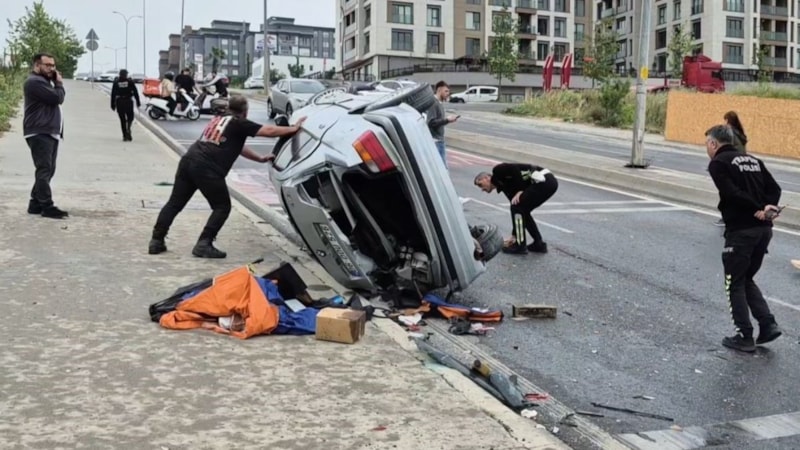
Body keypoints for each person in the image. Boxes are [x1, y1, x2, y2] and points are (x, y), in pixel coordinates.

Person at [148, 95, 306, 258]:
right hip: (208, 168)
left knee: (175, 203)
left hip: (188, 161)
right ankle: (204, 243)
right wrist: (293, 128)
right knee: (222, 206)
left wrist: (259, 158)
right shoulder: (239, 122)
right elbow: (269, 131)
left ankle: (156, 241)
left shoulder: (219, 120)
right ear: (245, 111)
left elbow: (239, 146)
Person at [705, 124, 783, 353]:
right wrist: (768, 207)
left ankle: (744, 335)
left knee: (734, 283)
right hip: (763, 231)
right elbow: (775, 188)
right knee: (746, 278)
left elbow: (731, 193)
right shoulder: (753, 160)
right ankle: (768, 324)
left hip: (741, 231)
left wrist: (758, 207)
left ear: (713, 143)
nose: (707, 150)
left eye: (706, 145)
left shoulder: (718, 163)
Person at [474, 163, 558, 254]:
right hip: (545, 184)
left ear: (487, 178)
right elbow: (517, 215)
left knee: (517, 207)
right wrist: (514, 235)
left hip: (544, 179)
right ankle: (538, 244)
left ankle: (520, 245)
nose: (482, 189)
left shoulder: (498, 171)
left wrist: (520, 190)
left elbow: (514, 169)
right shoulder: (505, 187)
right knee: (521, 210)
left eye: (480, 185)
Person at [23, 52, 68, 219]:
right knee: (44, 169)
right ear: (37, 66)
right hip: (40, 131)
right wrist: (59, 83)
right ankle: (47, 206)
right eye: (47, 65)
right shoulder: (34, 82)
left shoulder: (43, 81)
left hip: (48, 131)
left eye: (53, 65)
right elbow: (57, 98)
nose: (51, 68)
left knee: (49, 169)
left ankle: (35, 203)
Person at [715, 111, 749, 227]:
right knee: (736, 192)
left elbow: (726, 150)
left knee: (726, 192)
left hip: (731, 166)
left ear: (728, 121)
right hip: (741, 165)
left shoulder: (729, 133)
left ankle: (726, 217)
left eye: (725, 120)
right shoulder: (740, 133)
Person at [426, 80, 458, 167]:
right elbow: (431, 122)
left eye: (448, 91)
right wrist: (447, 120)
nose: (448, 93)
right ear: (439, 90)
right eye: (446, 91)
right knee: (442, 169)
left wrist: (448, 120)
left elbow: (438, 122)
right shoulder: (434, 103)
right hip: (435, 141)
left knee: (442, 168)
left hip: (439, 140)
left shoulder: (439, 104)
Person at [110, 69, 142, 141]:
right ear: (126, 74)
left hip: (119, 102)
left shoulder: (116, 82)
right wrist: (138, 102)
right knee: (130, 116)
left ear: (120, 74)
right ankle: (128, 126)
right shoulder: (130, 81)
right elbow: (135, 92)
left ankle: (125, 135)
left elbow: (113, 94)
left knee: (122, 120)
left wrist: (112, 104)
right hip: (128, 101)